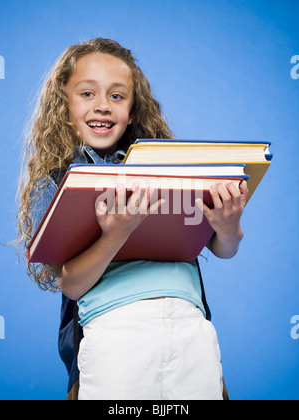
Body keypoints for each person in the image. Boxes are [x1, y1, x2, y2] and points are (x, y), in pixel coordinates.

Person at [17, 38, 248, 400]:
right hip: (115, 333)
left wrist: (228, 226)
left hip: (190, 327)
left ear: (133, 107)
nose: (103, 107)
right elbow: (71, 284)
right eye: (88, 93)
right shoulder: (56, 181)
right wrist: (116, 234)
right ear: (64, 103)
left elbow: (225, 248)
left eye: (117, 96)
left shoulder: (165, 168)